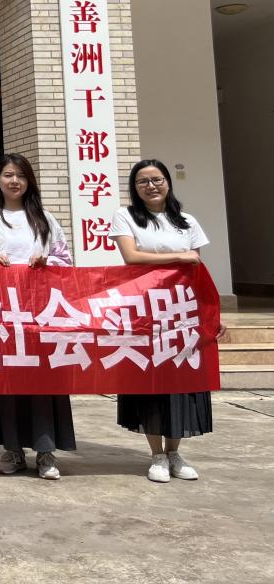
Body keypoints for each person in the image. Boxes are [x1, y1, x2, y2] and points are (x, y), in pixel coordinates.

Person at [0, 152, 74, 481]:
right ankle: (12, 450)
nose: (14, 181)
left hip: (40, 312)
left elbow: (65, 260)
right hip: (1, 313)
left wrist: (46, 262)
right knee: (7, 379)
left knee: (42, 381)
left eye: (21, 175)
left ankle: (46, 451)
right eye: (8, 175)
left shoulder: (45, 219)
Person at [111, 160, 214, 483]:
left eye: (156, 179)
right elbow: (132, 256)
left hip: (181, 312)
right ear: (134, 188)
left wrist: (210, 314)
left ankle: (174, 452)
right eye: (142, 181)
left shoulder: (187, 221)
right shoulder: (126, 216)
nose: (151, 186)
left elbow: (197, 270)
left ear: (168, 182)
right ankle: (156, 454)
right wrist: (179, 256)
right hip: (145, 309)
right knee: (150, 382)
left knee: (180, 382)